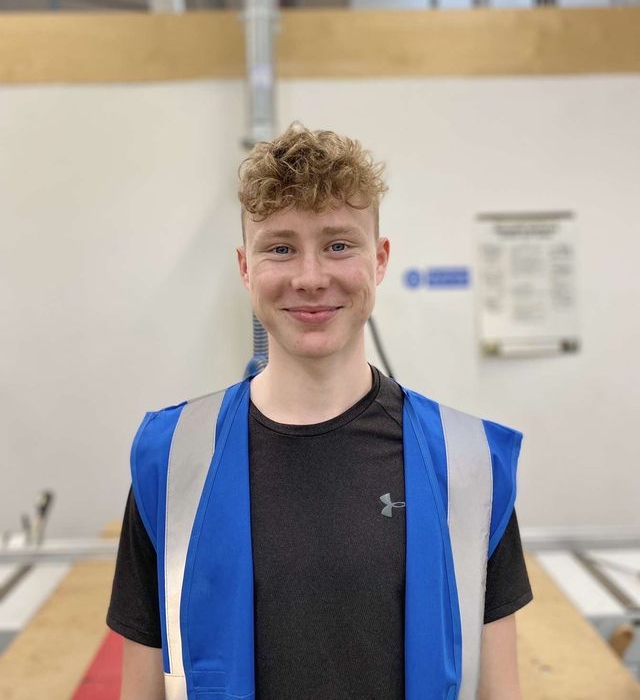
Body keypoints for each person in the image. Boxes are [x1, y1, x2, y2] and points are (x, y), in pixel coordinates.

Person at [107, 122, 532, 700]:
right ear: (245, 266)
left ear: (379, 260)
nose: (310, 278)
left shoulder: (468, 464)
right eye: (280, 248)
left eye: (338, 244)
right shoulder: (172, 457)